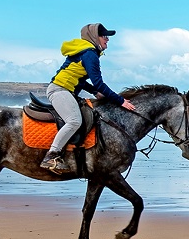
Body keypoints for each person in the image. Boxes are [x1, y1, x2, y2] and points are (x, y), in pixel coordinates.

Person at [40, 22, 136, 173]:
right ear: (94, 37)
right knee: (74, 121)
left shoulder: (86, 52)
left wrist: (94, 92)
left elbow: (79, 79)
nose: (107, 39)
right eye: (104, 36)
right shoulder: (90, 54)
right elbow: (98, 82)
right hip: (59, 90)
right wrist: (120, 100)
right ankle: (51, 155)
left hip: (66, 90)